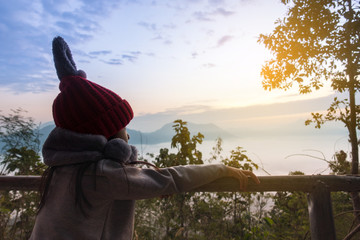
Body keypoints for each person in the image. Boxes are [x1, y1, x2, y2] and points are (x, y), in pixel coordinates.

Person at [30, 36, 260, 240]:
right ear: (110, 141)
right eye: (123, 127)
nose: (127, 134)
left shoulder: (60, 170)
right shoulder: (103, 175)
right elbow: (172, 179)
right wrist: (222, 169)